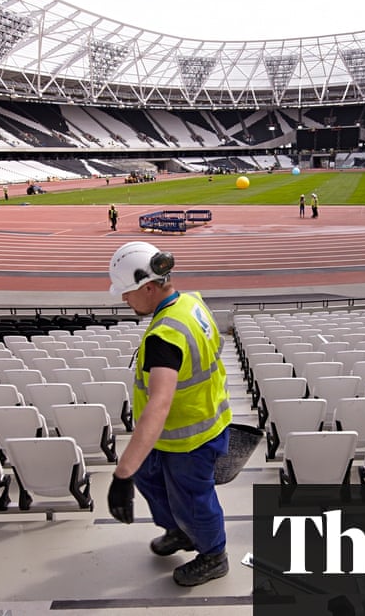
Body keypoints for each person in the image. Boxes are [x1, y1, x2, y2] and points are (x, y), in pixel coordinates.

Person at [105, 241, 232, 587]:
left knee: (193, 499)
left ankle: (213, 556)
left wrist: (121, 475)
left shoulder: (165, 337)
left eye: (127, 293)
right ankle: (181, 531)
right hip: (181, 430)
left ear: (148, 287)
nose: (123, 299)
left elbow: (159, 406)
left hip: (190, 436)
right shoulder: (192, 302)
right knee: (150, 477)